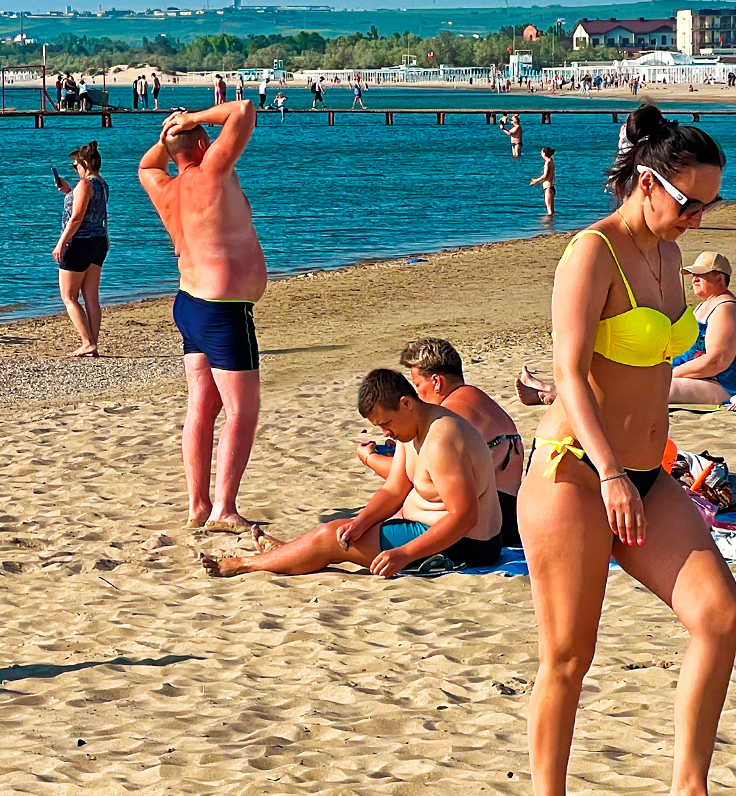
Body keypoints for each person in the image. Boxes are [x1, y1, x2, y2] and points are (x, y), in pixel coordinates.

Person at [520, 104, 736, 796]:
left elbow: (656, 365)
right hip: (575, 475)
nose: (698, 216)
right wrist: (612, 472)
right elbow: (568, 373)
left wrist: (647, 468)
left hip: (649, 475)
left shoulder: (666, 255)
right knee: (567, 656)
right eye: (690, 201)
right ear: (647, 183)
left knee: (719, 617)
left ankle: (688, 794)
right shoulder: (592, 252)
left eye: (710, 203)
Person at [204, 369, 502, 577]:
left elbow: (465, 516)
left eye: (387, 423)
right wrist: (361, 521)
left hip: (465, 546)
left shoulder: (442, 438)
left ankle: (248, 563)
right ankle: (292, 553)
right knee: (344, 529)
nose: (386, 433)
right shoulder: (413, 430)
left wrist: (405, 554)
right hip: (433, 532)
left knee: (329, 537)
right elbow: (394, 489)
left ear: (406, 403)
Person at [138, 99, 264, 531]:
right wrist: (189, 120)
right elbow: (244, 109)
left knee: (202, 406)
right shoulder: (214, 170)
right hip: (223, 310)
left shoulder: (166, 188)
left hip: (189, 305)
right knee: (241, 412)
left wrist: (165, 138)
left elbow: (145, 166)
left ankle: (198, 505)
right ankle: (224, 509)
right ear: (205, 142)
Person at [358, 339, 522, 546]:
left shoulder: (449, 419)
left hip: (487, 524)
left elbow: (406, 479)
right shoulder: (479, 401)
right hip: (512, 513)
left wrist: (369, 458)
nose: (416, 394)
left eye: (417, 385)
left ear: (436, 382)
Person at [670, 251, 736, 411]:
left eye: (701, 275)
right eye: (693, 274)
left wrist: (671, 373)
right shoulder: (705, 305)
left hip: (727, 383)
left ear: (720, 278)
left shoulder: (725, 309)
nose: (694, 279)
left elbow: (716, 362)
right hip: (702, 376)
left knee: (657, 390)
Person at [52, 141, 110, 357]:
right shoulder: (101, 184)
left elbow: (77, 218)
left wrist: (61, 243)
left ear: (85, 164)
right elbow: (89, 210)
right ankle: (92, 343)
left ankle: (87, 342)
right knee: (91, 297)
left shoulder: (85, 185)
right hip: (98, 242)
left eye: (75, 166)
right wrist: (68, 191)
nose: (75, 170)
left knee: (69, 297)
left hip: (80, 243)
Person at [528, 147, 556, 215]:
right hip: (551, 187)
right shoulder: (551, 161)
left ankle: (549, 224)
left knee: (549, 211)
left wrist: (535, 181)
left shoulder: (547, 163)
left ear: (544, 153)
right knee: (551, 210)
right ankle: (552, 224)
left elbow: (545, 176)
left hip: (548, 188)